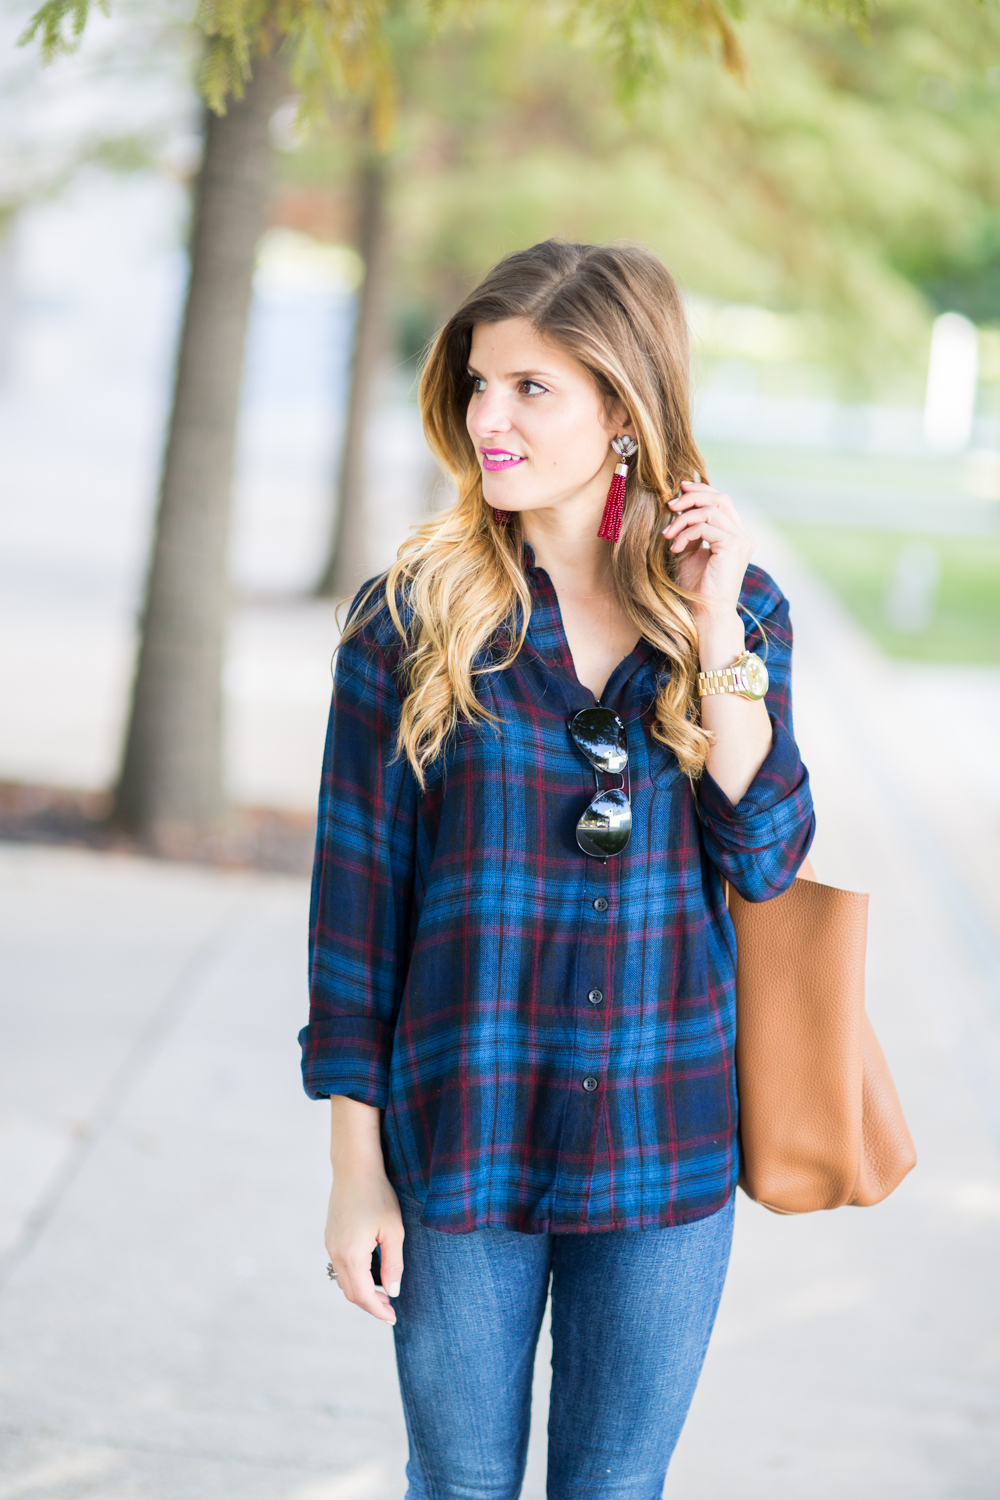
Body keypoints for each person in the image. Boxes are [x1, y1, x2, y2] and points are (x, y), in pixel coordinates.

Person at [299, 239, 814, 1498]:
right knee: (458, 1484)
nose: (489, 417)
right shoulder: (407, 621)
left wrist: (713, 625)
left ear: (625, 411)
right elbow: (354, 919)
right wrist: (354, 1173)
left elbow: (767, 853)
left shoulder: (733, 619)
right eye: (480, 383)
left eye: (534, 388)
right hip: (460, 1137)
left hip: (664, 1143)